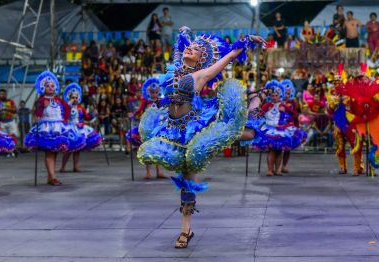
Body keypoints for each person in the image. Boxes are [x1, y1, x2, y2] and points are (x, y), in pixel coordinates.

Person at [138, 26, 264, 248]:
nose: (190, 49)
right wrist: (184, 34)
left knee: (240, 133)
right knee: (186, 180)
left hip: (194, 129)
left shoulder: (201, 74)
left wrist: (245, 41)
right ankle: (186, 229)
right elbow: (179, 47)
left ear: (201, 58)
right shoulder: (176, 68)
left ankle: (254, 109)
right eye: (190, 47)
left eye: (195, 49)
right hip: (172, 129)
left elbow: (228, 57)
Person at [24, 71, 85, 186]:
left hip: (58, 127)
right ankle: (52, 177)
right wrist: (41, 109)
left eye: (52, 86)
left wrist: (65, 119)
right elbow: (36, 113)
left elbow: (67, 107)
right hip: (46, 128)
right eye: (47, 86)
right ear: (43, 88)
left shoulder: (58, 100)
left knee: (55, 152)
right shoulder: (41, 100)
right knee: (50, 153)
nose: (50, 88)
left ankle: (50, 176)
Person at [255, 80, 306, 176]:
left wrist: (286, 110)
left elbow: (294, 114)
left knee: (279, 151)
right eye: (273, 96)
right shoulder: (267, 105)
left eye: (276, 96)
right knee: (272, 151)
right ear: (270, 96)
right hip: (269, 129)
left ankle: (277, 170)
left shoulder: (283, 105)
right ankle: (270, 170)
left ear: (280, 96)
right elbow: (259, 114)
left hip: (281, 130)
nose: (274, 97)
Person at [125, 77, 166, 179]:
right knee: (147, 150)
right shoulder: (145, 101)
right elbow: (139, 110)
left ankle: (159, 171)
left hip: (157, 129)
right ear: (148, 92)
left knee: (158, 150)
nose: (154, 94)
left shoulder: (160, 101)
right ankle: (148, 172)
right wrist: (133, 114)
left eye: (156, 92)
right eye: (152, 92)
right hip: (146, 129)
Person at [60, 83, 102, 172]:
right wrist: (69, 105)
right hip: (70, 129)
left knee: (77, 149)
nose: (75, 99)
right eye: (73, 97)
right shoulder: (67, 106)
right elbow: (63, 115)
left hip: (79, 128)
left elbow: (87, 117)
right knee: (68, 149)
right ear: (69, 97)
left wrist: (93, 113)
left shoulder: (80, 107)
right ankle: (63, 167)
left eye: (76, 97)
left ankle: (76, 166)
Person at [0, 72, 16, 191]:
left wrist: (6, 108)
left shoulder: (9, 102)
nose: (2, 94)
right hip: (1, 122)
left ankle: (11, 151)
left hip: (8, 121)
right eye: (0, 93)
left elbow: (15, 110)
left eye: (3, 93)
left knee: (11, 136)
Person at [280, 79, 300, 173]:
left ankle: (284, 165)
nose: (286, 95)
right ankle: (277, 167)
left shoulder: (292, 103)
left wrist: (297, 127)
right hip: (278, 127)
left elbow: (295, 116)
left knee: (287, 148)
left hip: (290, 127)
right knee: (278, 148)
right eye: (285, 93)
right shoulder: (277, 101)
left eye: (288, 93)